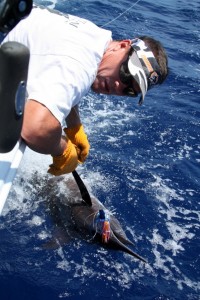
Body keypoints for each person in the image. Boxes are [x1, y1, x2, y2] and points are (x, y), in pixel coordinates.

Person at [2, 5, 168, 176]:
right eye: (127, 75)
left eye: (130, 91)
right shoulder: (81, 66)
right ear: (123, 46)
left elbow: (63, 74)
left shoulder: (93, 35)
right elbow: (34, 128)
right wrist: (62, 150)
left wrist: (74, 126)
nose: (119, 86)